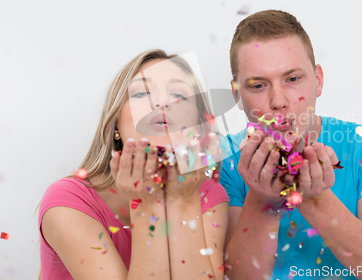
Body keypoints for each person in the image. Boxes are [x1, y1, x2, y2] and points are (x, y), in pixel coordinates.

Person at [220, 10, 362, 280]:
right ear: (237, 95)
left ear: (318, 80)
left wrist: (313, 197)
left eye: (292, 79)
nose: (278, 101)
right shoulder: (224, 160)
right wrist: (263, 201)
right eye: (258, 85)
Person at [38, 49, 229, 280]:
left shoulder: (208, 195)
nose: (161, 102)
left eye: (179, 95)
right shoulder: (68, 200)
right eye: (140, 94)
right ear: (114, 125)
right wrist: (147, 201)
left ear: (197, 127)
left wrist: (184, 200)